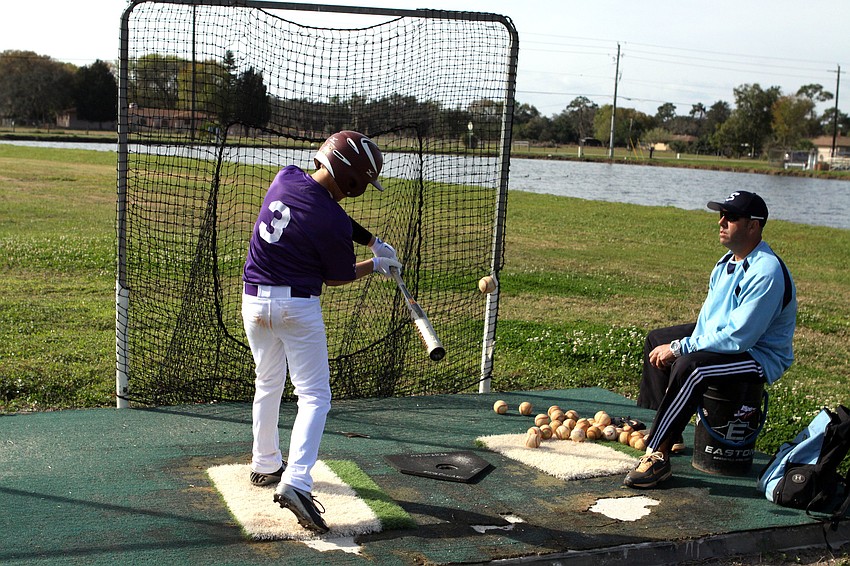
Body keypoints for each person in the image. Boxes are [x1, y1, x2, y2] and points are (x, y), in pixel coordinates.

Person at [241, 131, 401, 532]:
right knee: (314, 396)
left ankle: (264, 466)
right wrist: (377, 264)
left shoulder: (286, 177)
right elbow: (338, 276)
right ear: (353, 180)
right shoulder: (331, 221)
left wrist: (372, 240)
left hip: (254, 302)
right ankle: (297, 481)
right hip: (297, 307)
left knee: (268, 381)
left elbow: (324, 209)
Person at [624, 191, 797, 489]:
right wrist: (679, 342)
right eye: (721, 215)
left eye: (730, 217)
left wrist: (683, 347)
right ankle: (670, 432)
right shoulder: (727, 261)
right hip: (732, 341)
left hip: (757, 357)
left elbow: (738, 338)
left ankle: (658, 454)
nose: (721, 222)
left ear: (754, 226)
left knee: (693, 366)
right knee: (657, 340)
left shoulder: (766, 271)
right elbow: (711, 321)